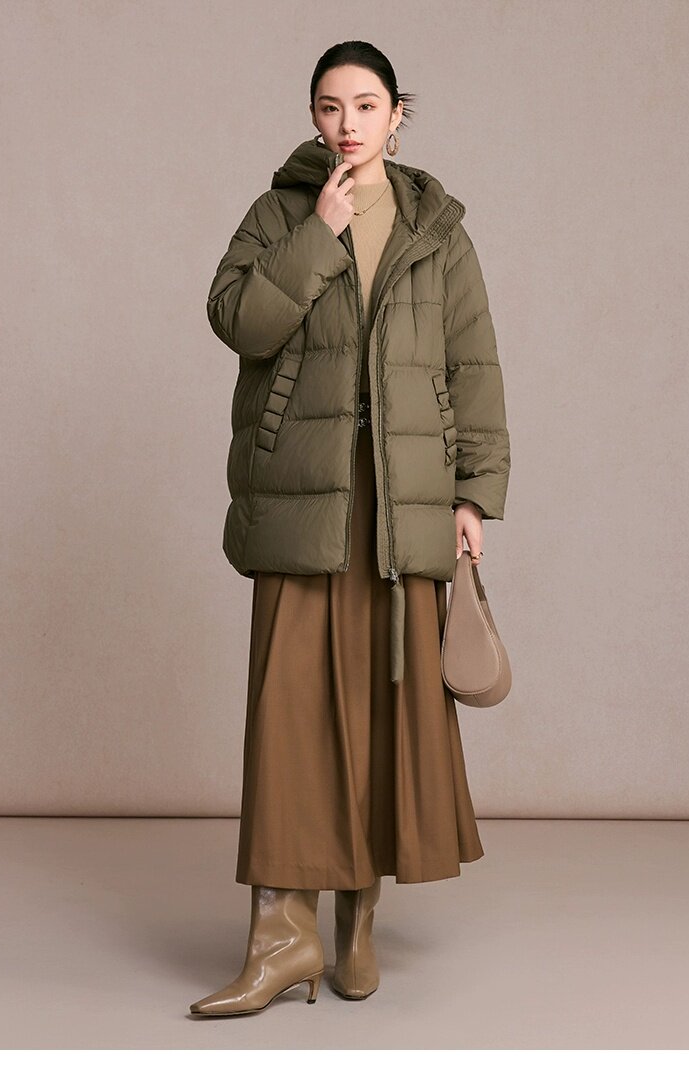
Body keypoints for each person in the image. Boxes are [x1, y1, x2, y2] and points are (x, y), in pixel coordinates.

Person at [189, 40, 510, 1018]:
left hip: (402, 498)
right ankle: (281, 938)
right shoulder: (280, 212)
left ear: (396, 114)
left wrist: (473, 493)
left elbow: (472, 362)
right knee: (290, 714)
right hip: (303, 492)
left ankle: (357, 918)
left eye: (366, 105)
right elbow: (237, 320)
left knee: (382, 705)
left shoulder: (437, 228)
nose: (347, 124)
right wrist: (316, 237)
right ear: (314, 115)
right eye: (330, 106)